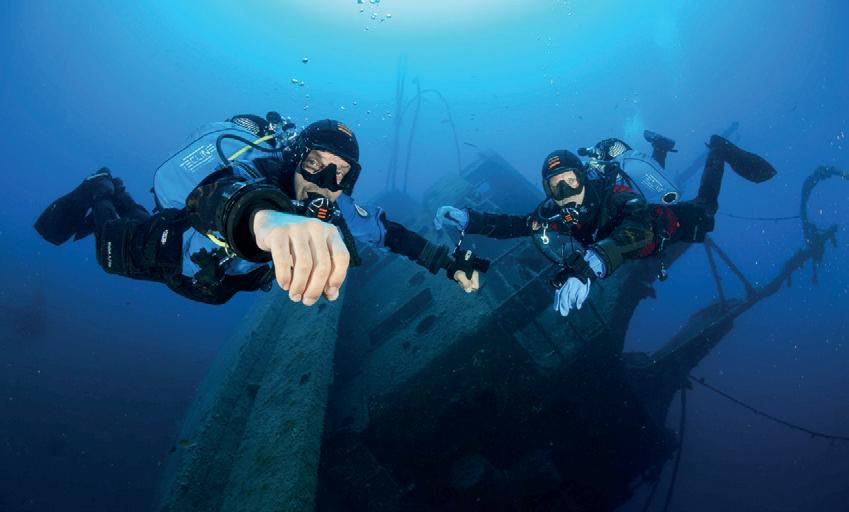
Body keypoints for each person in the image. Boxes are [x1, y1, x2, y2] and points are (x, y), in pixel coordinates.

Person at [35, 114, 485, 305]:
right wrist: (263, 218)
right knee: (113, 250)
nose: (326, 184)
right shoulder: (253, 168)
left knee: (143, 227)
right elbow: (196, 186)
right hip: (178, 244)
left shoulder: (336, 208)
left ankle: (114, 190)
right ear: (294, 158)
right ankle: (100, 188)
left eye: (342, 175)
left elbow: (389, 234)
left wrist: (447, 263)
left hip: (213, 281)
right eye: (316, 164)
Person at [433, 132, 776, 317]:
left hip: (667, 225)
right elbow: (519, 224)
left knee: (706, 213)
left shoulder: (614, 193)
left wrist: (591, 264)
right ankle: (659, 148)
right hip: (628, 248)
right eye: (555, 187)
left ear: (584, 178)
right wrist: (470, 219)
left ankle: (718, 150)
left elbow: (638, 227)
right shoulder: (558, 212)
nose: (565, 194)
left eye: (570, 181)